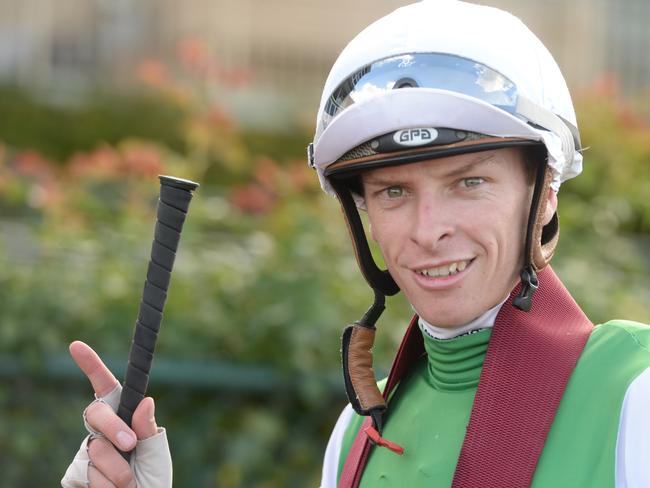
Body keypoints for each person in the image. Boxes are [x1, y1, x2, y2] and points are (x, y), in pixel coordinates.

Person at [62, 1, 650, 487]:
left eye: (469, 182)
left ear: (544, 193)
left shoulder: (633, 391)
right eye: (393, 191)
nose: (426, 229)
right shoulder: (358, 435)